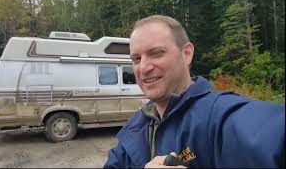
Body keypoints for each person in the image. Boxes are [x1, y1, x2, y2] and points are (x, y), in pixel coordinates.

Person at [104, 15, 285, 168]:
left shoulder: (219, 117)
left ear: (187, 54)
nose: (143, 67)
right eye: (136, 58)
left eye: (156, 53)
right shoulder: (134, 128)